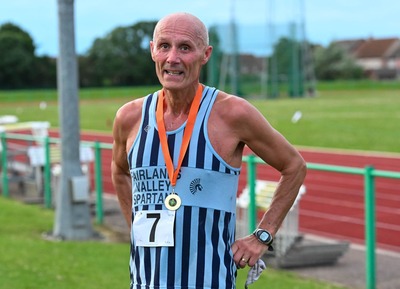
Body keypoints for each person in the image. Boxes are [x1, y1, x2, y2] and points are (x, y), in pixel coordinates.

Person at [111, 12, 307, 289]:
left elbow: (294, 166)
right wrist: (136, 226)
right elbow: (120, 172)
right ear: (152, 50)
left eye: (186, 48)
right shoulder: (129, 118)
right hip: (145, 282)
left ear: (206, 54)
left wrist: (263, 234)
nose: (173, 58)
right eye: (164, 45)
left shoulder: (232, 113)